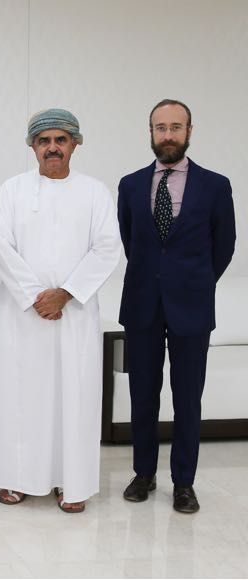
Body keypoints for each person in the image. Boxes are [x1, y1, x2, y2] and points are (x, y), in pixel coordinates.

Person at [0, 109, 121, 513]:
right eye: (44, 141)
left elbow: (107, 247)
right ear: (32, 146)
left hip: (73, 315)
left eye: (60, 140)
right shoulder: (12, 190)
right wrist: (35, 295)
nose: (52, 147)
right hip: (22, 314)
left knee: (72, 397)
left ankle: (68, 482)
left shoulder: (94, 192)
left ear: (75, 143)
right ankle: (17, 478)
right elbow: (0, 245)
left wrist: (66, 294)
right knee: (20, 394)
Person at [118, 99, 236, 514]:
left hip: (192, 306)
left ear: (189, 131)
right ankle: (143, 474)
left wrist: (195, 282)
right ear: (150, 132)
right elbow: (130, 240)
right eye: (160, 127)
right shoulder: (130, 185)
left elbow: (224, 245)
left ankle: (184, 482)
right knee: (142, 395)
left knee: (187, 398)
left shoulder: (215, 185)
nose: (167, 135)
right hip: (142, 304)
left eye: (175, 127)